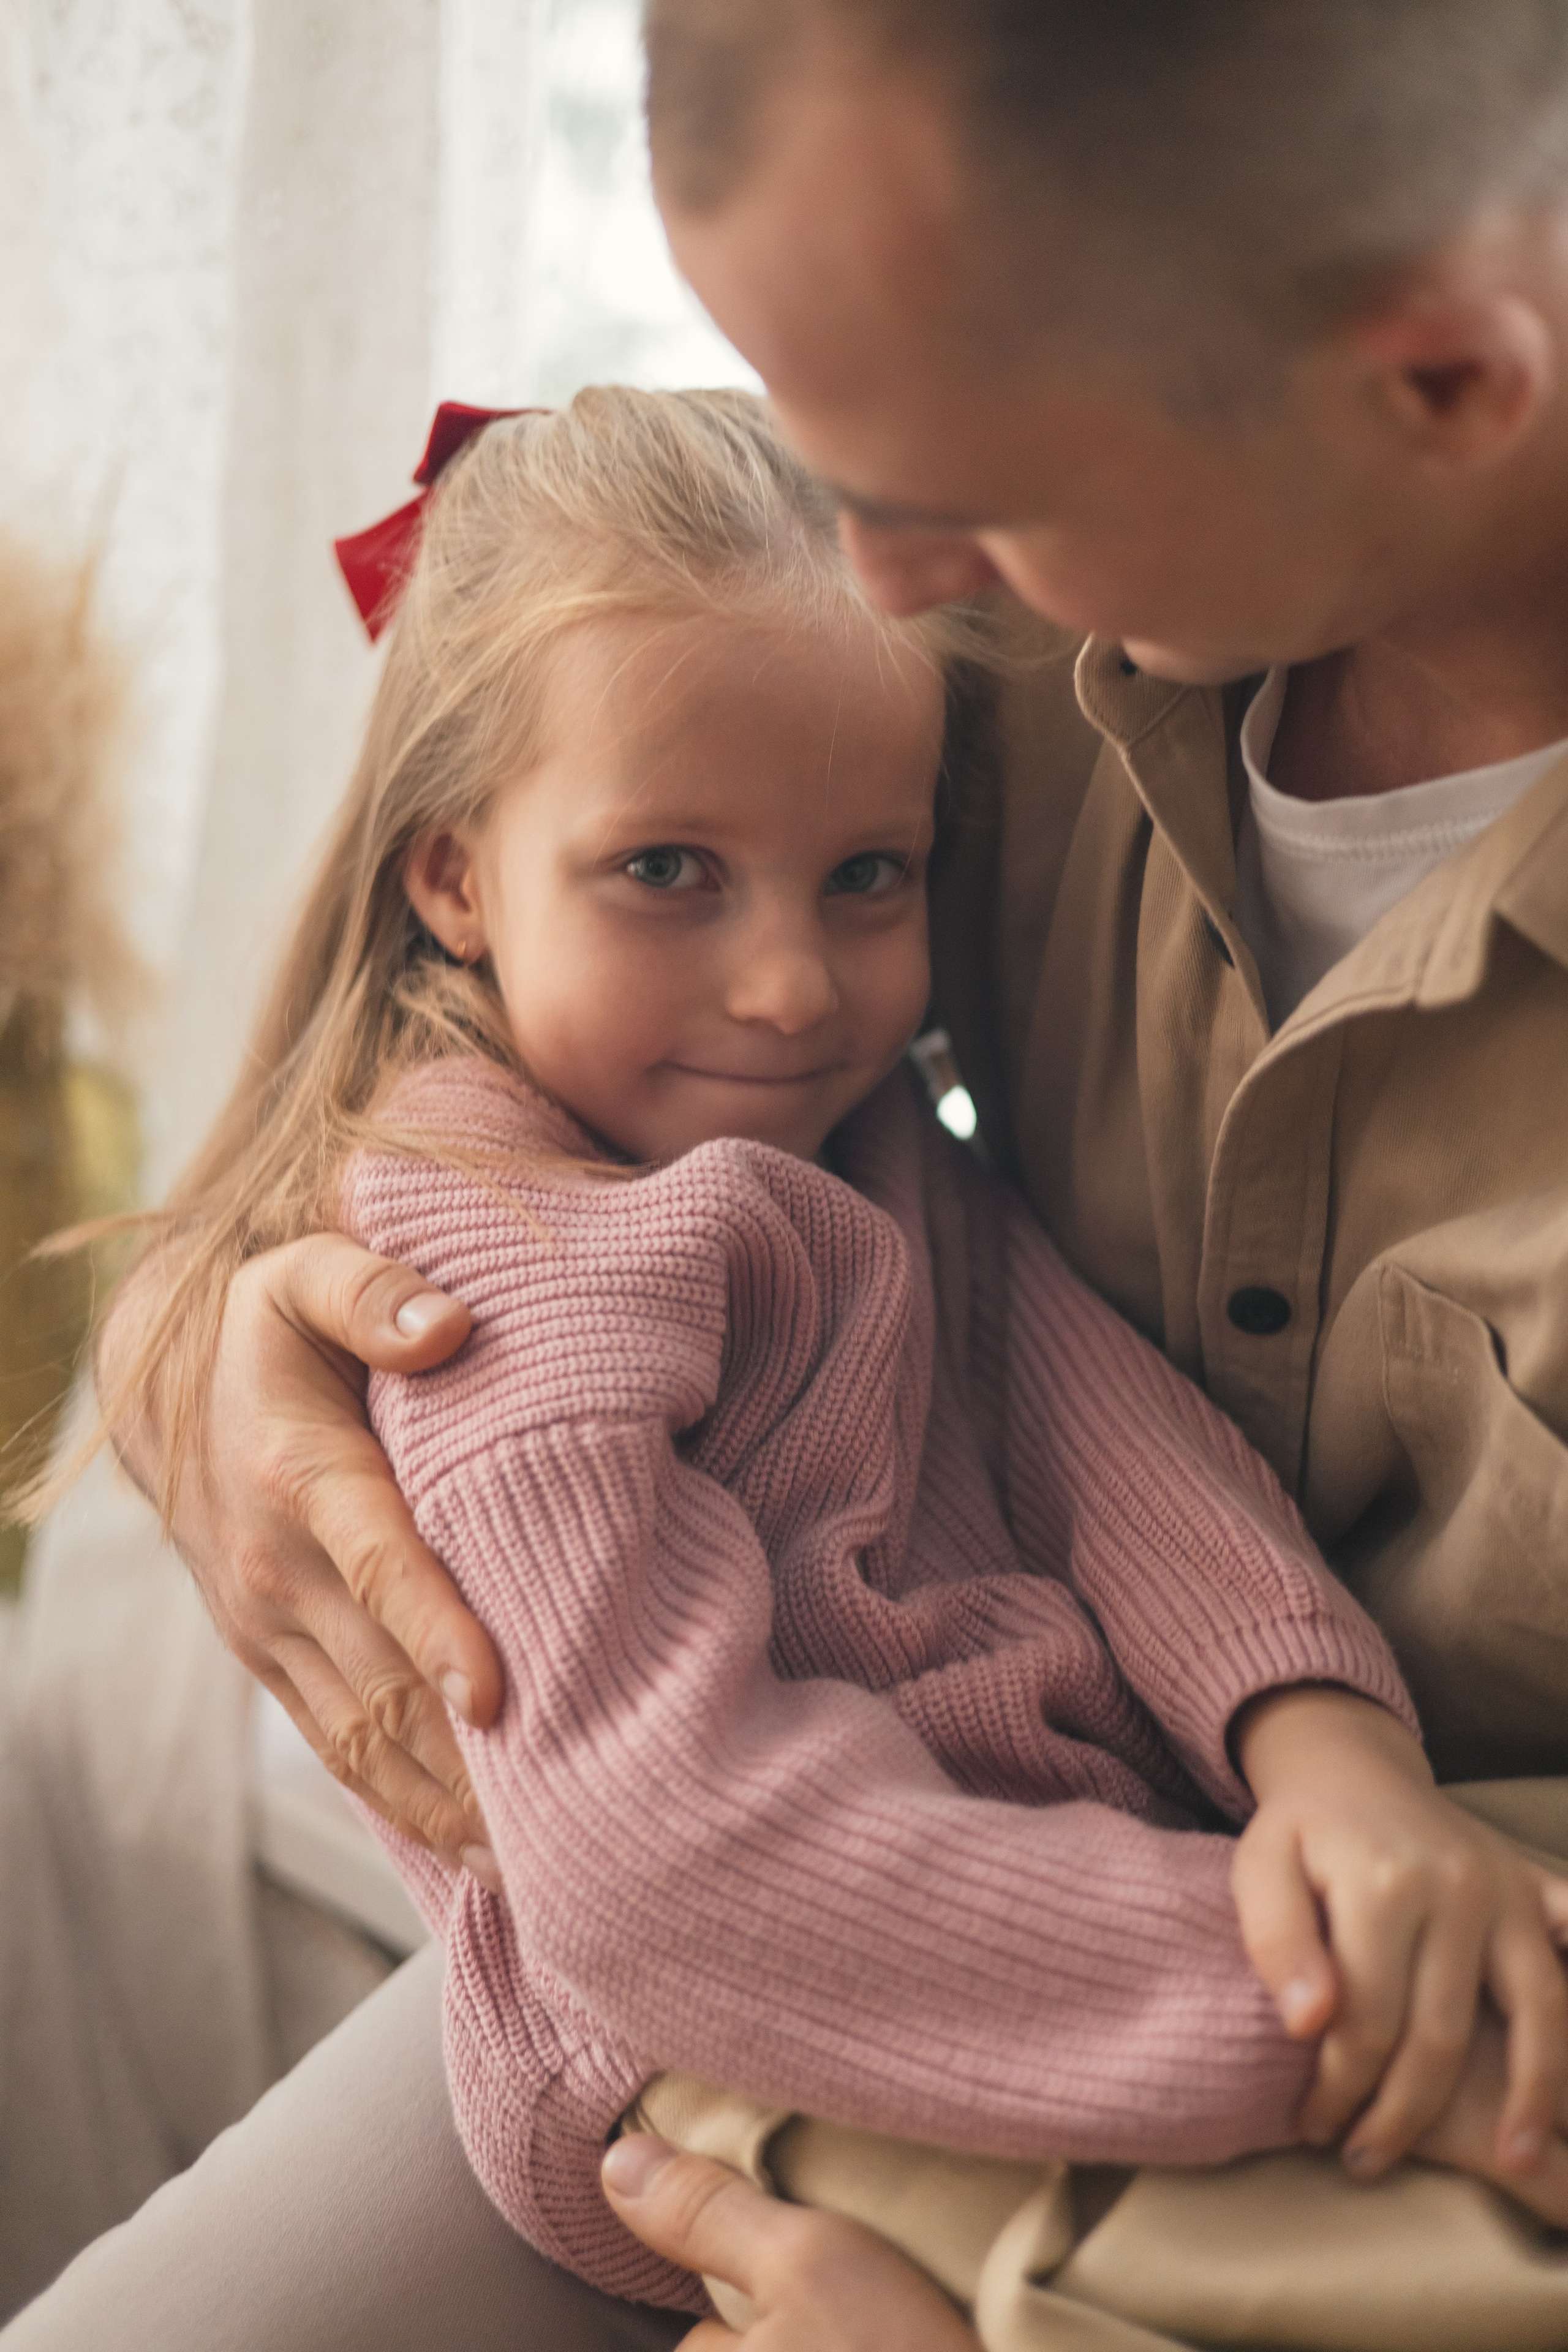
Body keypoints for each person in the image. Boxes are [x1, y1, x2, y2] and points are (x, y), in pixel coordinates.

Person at [13, 2, 1568, 2347]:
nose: (885, 568)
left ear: (1444, 380)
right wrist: (220, 1337)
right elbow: (668, 1852)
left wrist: (1328, 1823)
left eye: (974, 474)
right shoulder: (1000, 635)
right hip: (809, 2016)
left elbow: (1049, 1377)